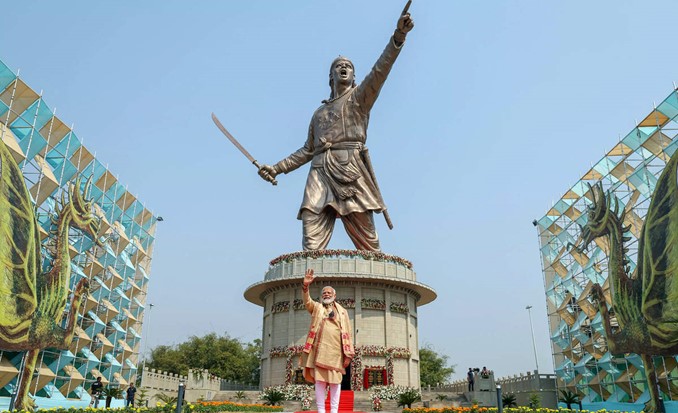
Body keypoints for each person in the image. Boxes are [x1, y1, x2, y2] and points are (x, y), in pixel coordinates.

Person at [258, 9, 415, 252]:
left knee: (367, 236)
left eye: (348, 66)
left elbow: (380, 71)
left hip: (350, 168)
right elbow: (307, 150)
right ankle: (309, 277)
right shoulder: (318, 114)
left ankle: (373, 280)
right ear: (330, 76)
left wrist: (398, 38)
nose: (343, 68)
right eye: (338, 66)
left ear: (353, 77)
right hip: (320, 170)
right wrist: (277, 168)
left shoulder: (359, 99)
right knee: (311, 218)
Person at [300, 269, 354, 413]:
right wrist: (305, 287)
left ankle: (334, 411)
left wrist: (348, 353)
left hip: (336, 352)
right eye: (324, 293)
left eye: (329, 293)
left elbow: (347, 332)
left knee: (335, 382)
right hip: (319, 351)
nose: (326, 294)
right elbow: (307, 302)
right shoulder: (317, 308)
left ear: (335, 295)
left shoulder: (342, 311)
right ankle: (321, 411)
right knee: (320, 381)